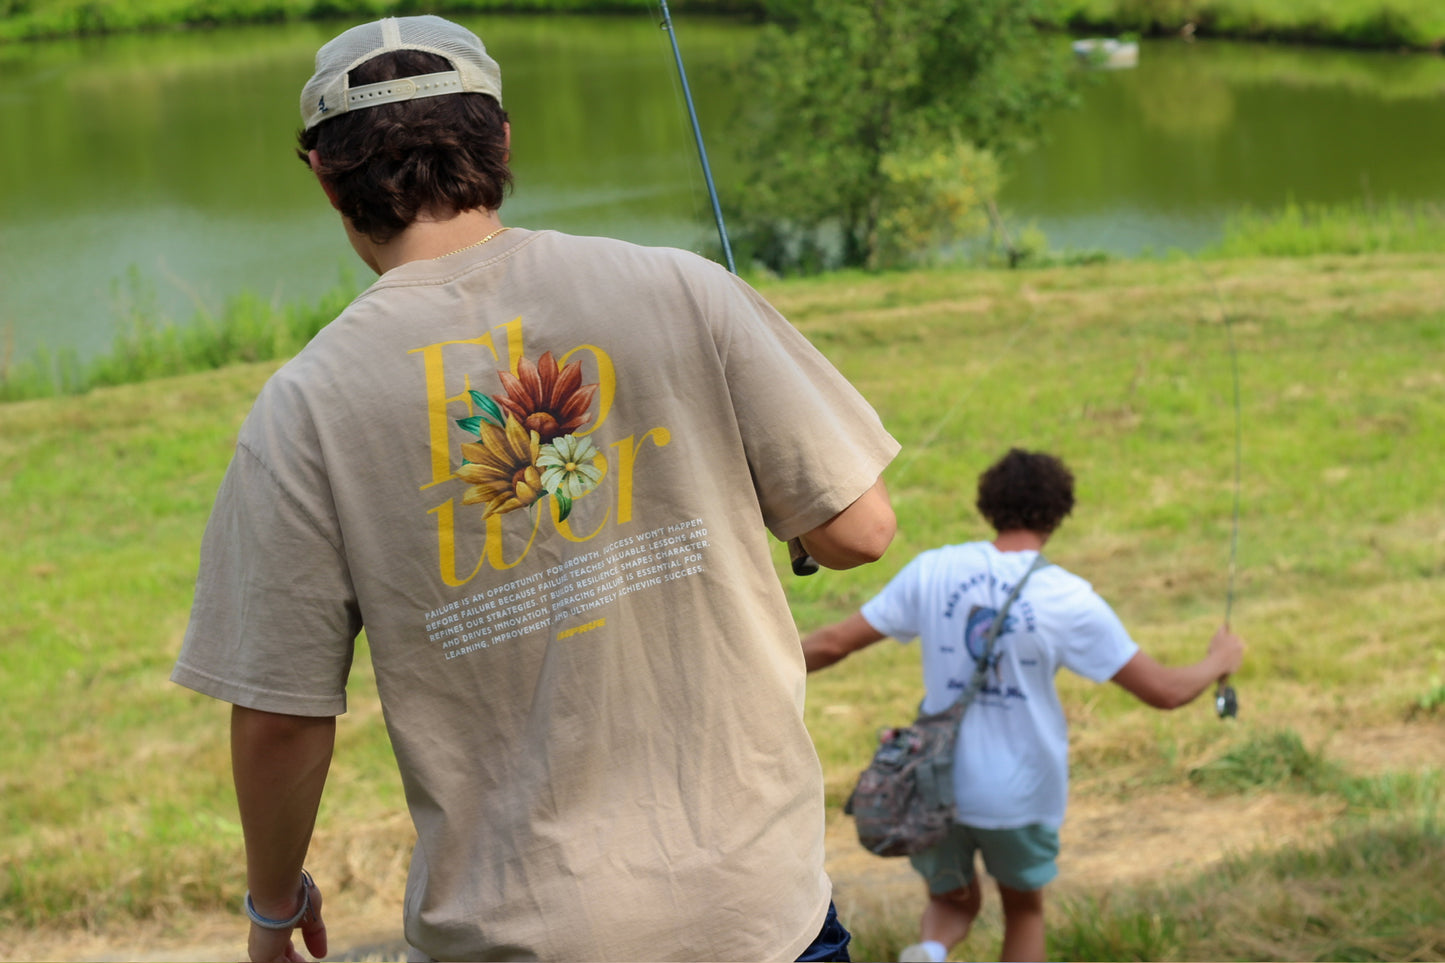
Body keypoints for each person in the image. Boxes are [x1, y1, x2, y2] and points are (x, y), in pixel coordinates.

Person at [171, 15, 899, 963]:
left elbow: (279, 716)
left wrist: (275, 907)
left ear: (321, 172)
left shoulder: (302, 407)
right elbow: (859, 529)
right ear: (501, 140)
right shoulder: (682, 287)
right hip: (759, 911)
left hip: (518, 932)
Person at [801, 448, 1245, 963]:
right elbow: (1164, 691)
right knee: (1024, 911)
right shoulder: (1067, 597)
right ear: (1059, 513)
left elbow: (833, 643)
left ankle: (928, 950)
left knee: (952, 902)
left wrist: (762, 667)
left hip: (935, 782)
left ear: (988, 504)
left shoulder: (936, 569)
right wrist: (1218, 660)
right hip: (1021, 792)